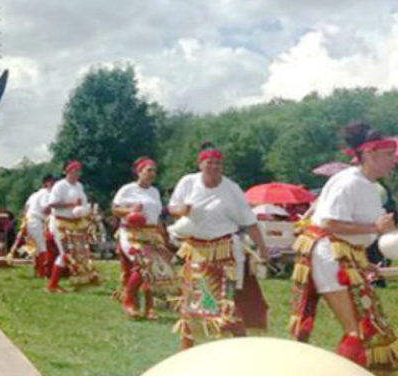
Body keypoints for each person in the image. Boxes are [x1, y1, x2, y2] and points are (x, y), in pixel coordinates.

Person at [290, 122, 398, 371]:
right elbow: (329, 223)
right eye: (388, 155)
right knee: (358, 329)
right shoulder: (351, 182)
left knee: (368, 325)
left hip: (342, 255)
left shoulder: (364, 183)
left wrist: (362, 260)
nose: (393, 161)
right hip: (330, 256)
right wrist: (375, 229)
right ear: (369, 154)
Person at [168, 143, 269, 349]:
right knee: (193, 302)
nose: (213, 166)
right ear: (200, 164)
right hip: (197, 251)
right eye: (209, 162)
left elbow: (249, 222)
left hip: (226, 251)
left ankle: (241, 348)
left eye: (218, 163)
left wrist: (263, 249)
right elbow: (172, 206)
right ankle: (185, 351)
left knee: (228, 302)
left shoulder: (231, 189)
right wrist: (181, 209)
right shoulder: (188, 182)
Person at [111, 157, 176, 319]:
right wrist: (130, 211)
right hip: (131, 232)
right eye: (149, 170)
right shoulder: (127, 189)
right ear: (139, 172)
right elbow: (115, 209)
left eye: (154, 170)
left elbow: (157, 217)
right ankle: (129, 301)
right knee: (143, 263)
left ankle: (149, 308)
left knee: (154, 270)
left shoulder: (155, 192)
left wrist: (164, 236)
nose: (153, 173)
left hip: (151, 233)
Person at [46, 160, 99, 292]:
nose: (76, 174)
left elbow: (82, 203)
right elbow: (51, 204)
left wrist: (86, 211)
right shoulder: (60, 186)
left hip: (76, 222)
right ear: (66, 172)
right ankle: (52, 284)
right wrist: (70, 205)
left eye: (78, 171)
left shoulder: (79, 186)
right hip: (60, 222)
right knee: (65, 253)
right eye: (73, 171)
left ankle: (82, 278)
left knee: (79, 252)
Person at [23, 174, 55, 278]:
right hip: (37, 220)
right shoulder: (47, 194)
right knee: (43, 248)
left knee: (36, 248)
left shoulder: (34, 194)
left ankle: (38, 271)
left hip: (29, 220)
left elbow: (26, 208)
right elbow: (45, 208)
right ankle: (42, 272)